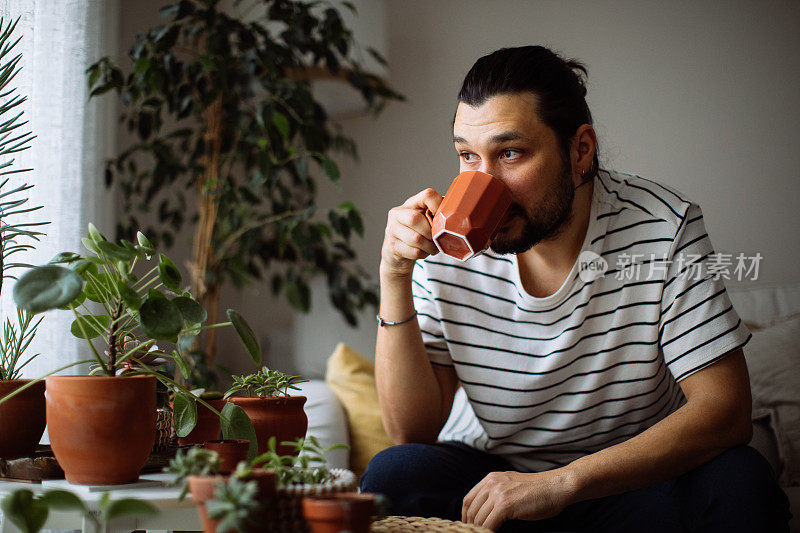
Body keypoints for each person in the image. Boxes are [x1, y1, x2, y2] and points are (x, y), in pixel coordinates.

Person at [360, 46, 791, 532]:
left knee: (742, 481)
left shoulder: (663, 228)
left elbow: (727, 412)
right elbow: (410, 431)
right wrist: (393, 275)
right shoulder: (447, 243)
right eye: (466, 156)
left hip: (632, 483)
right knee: (392, 474)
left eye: (510, 153)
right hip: (496, 483)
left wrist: (563, 483)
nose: (483, 183)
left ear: (580, 150)